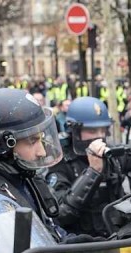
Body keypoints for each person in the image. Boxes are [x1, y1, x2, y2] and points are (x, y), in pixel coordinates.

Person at [0, 88, 65, 239]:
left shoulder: (22, 174)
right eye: (32, 141)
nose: (41, 152)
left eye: (40, 139)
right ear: (1, 146)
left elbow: (50, 233)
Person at [45, 96, 119, 237]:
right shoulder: (59, 160)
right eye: (92, 131)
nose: (99, 137)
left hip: (113, 238)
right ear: (75, 132)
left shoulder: (111, 155)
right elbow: (61, 214)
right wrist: (93, 172)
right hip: (80, 245)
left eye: (103, 130)